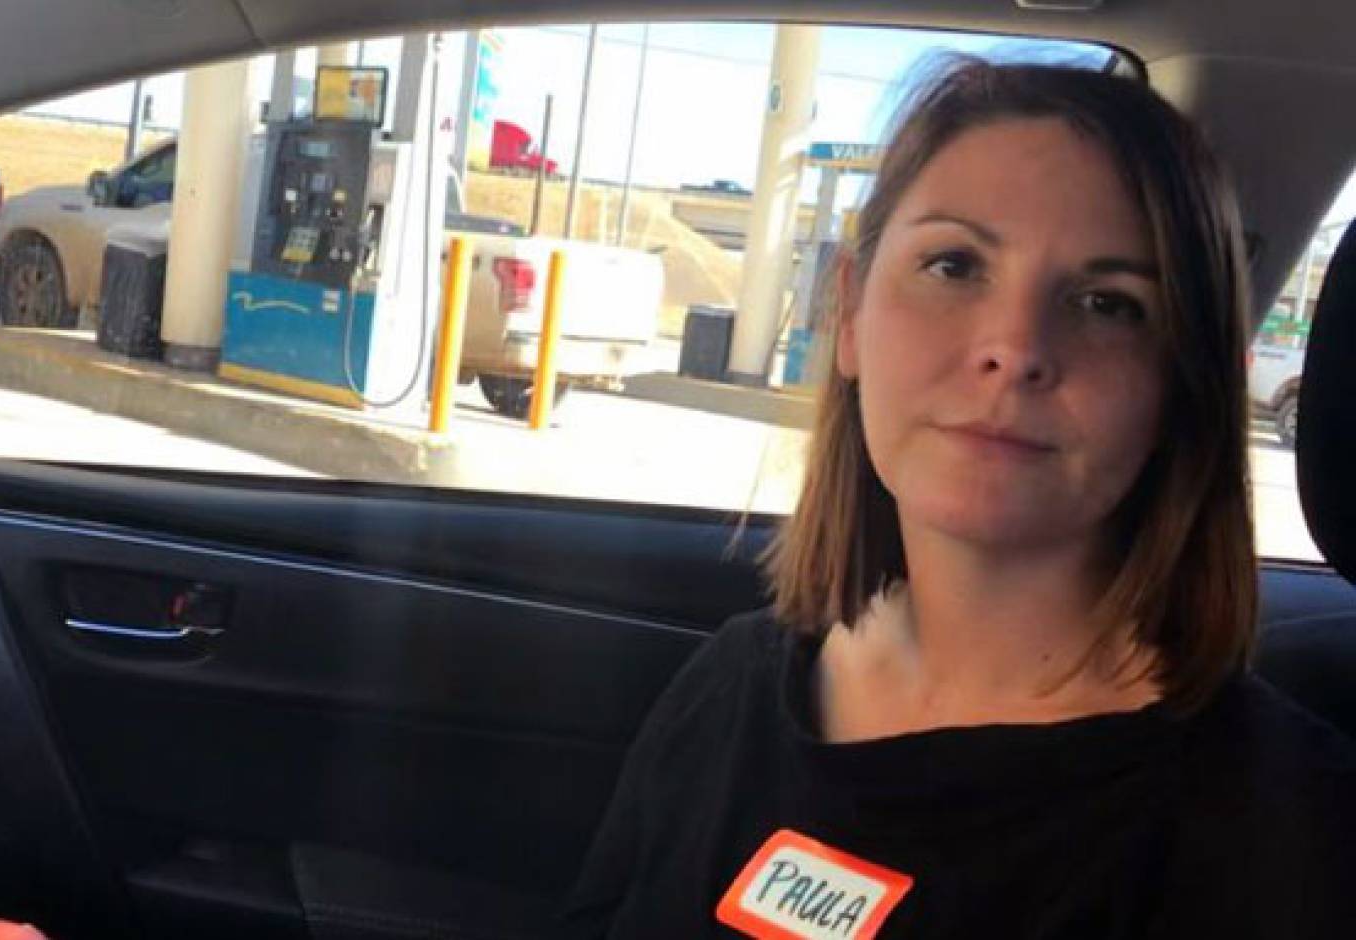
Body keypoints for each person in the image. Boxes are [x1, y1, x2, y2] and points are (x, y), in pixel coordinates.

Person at [563, 55, 1356, 938]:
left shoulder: (1290, 833)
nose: (1014, 347)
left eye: (1107, 302)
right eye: (953, 265)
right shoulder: (726, 690)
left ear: (1183, 377)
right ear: (853, 315)